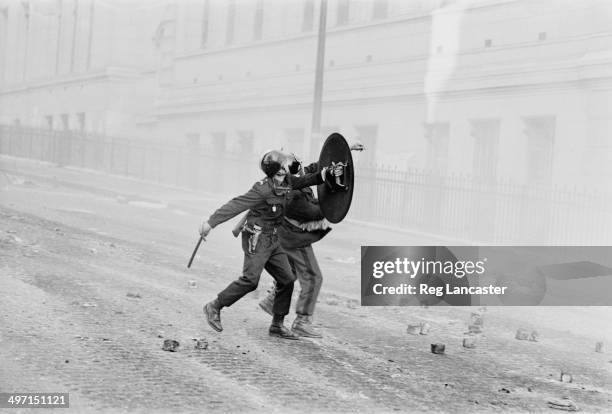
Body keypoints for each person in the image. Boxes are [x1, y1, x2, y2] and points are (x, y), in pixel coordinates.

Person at [199, 150, 344, 340]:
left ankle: (277, 325)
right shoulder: (262, 189)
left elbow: (308, 179)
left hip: (274, 239)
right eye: (284, 165)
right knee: (251, 280)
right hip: (257, 239)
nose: (287, 167)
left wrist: (328, 174)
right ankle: (214, 306)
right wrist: (210, 223)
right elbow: (236, 204)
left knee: (287, 279)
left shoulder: (287, 181)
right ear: (276, 170)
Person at [259, 143, 364, 338]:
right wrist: (334, 192)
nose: (296, 159)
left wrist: (344, 150)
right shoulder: (292, 193)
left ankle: (272, 302)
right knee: (313, 277)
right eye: (291, 159)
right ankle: (302, 321)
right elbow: (316, 211)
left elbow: (314, 169)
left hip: (284, 235)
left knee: (289, 273)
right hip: (293, 238)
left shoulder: (293, 179)